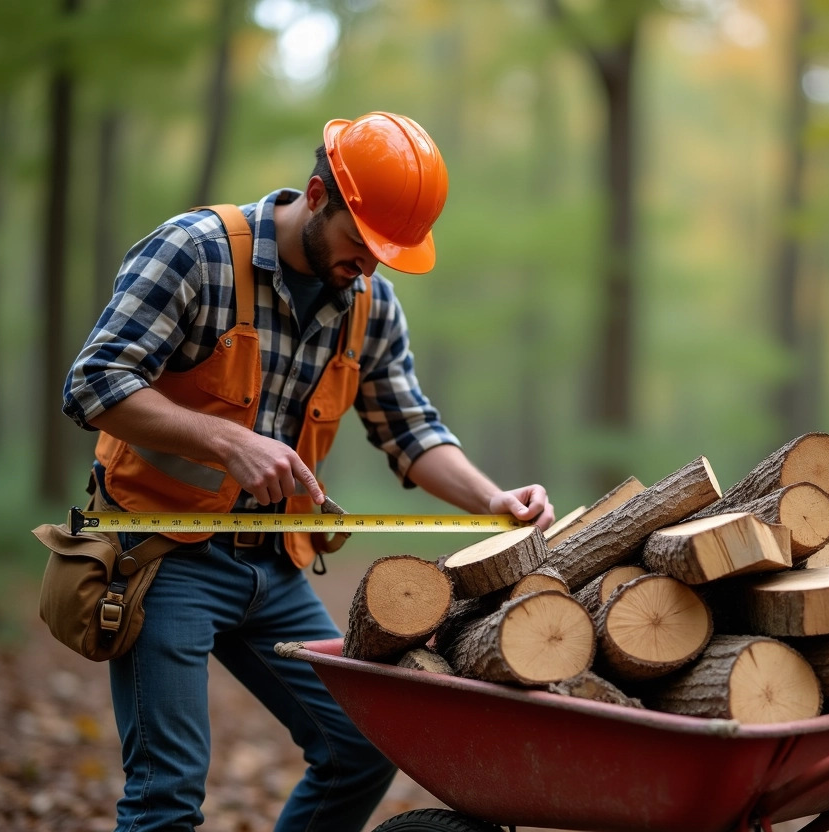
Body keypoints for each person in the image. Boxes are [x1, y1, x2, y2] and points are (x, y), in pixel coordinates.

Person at [61, 111, 555, 832]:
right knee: (167, 796)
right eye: (362, 244)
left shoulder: (371, 304)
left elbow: (410, 428)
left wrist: (492, 498)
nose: (370, 268)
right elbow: (92, 383)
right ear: (318, 196)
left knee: (361, 747)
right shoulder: (196, 254)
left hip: (276, 563)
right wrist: (226, 443)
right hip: (162, 556)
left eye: (388, 254)